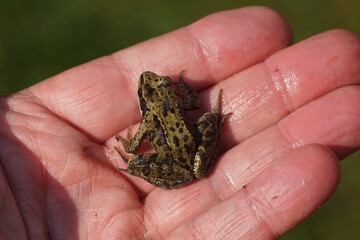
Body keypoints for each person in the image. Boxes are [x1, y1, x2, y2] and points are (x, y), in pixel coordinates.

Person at [1, 6, 359, 239]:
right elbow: (189, 102)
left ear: (150, 103)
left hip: (178, 158)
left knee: (139, 161)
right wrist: (198, 110)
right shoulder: (178, 100)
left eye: (157, 86)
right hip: (188, 151)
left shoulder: (150, 118)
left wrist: (131, 152)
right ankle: (210, 132)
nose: (151, 82)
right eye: (155, 87)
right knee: (208, 120)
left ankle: (151, 167)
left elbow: (134, 143)